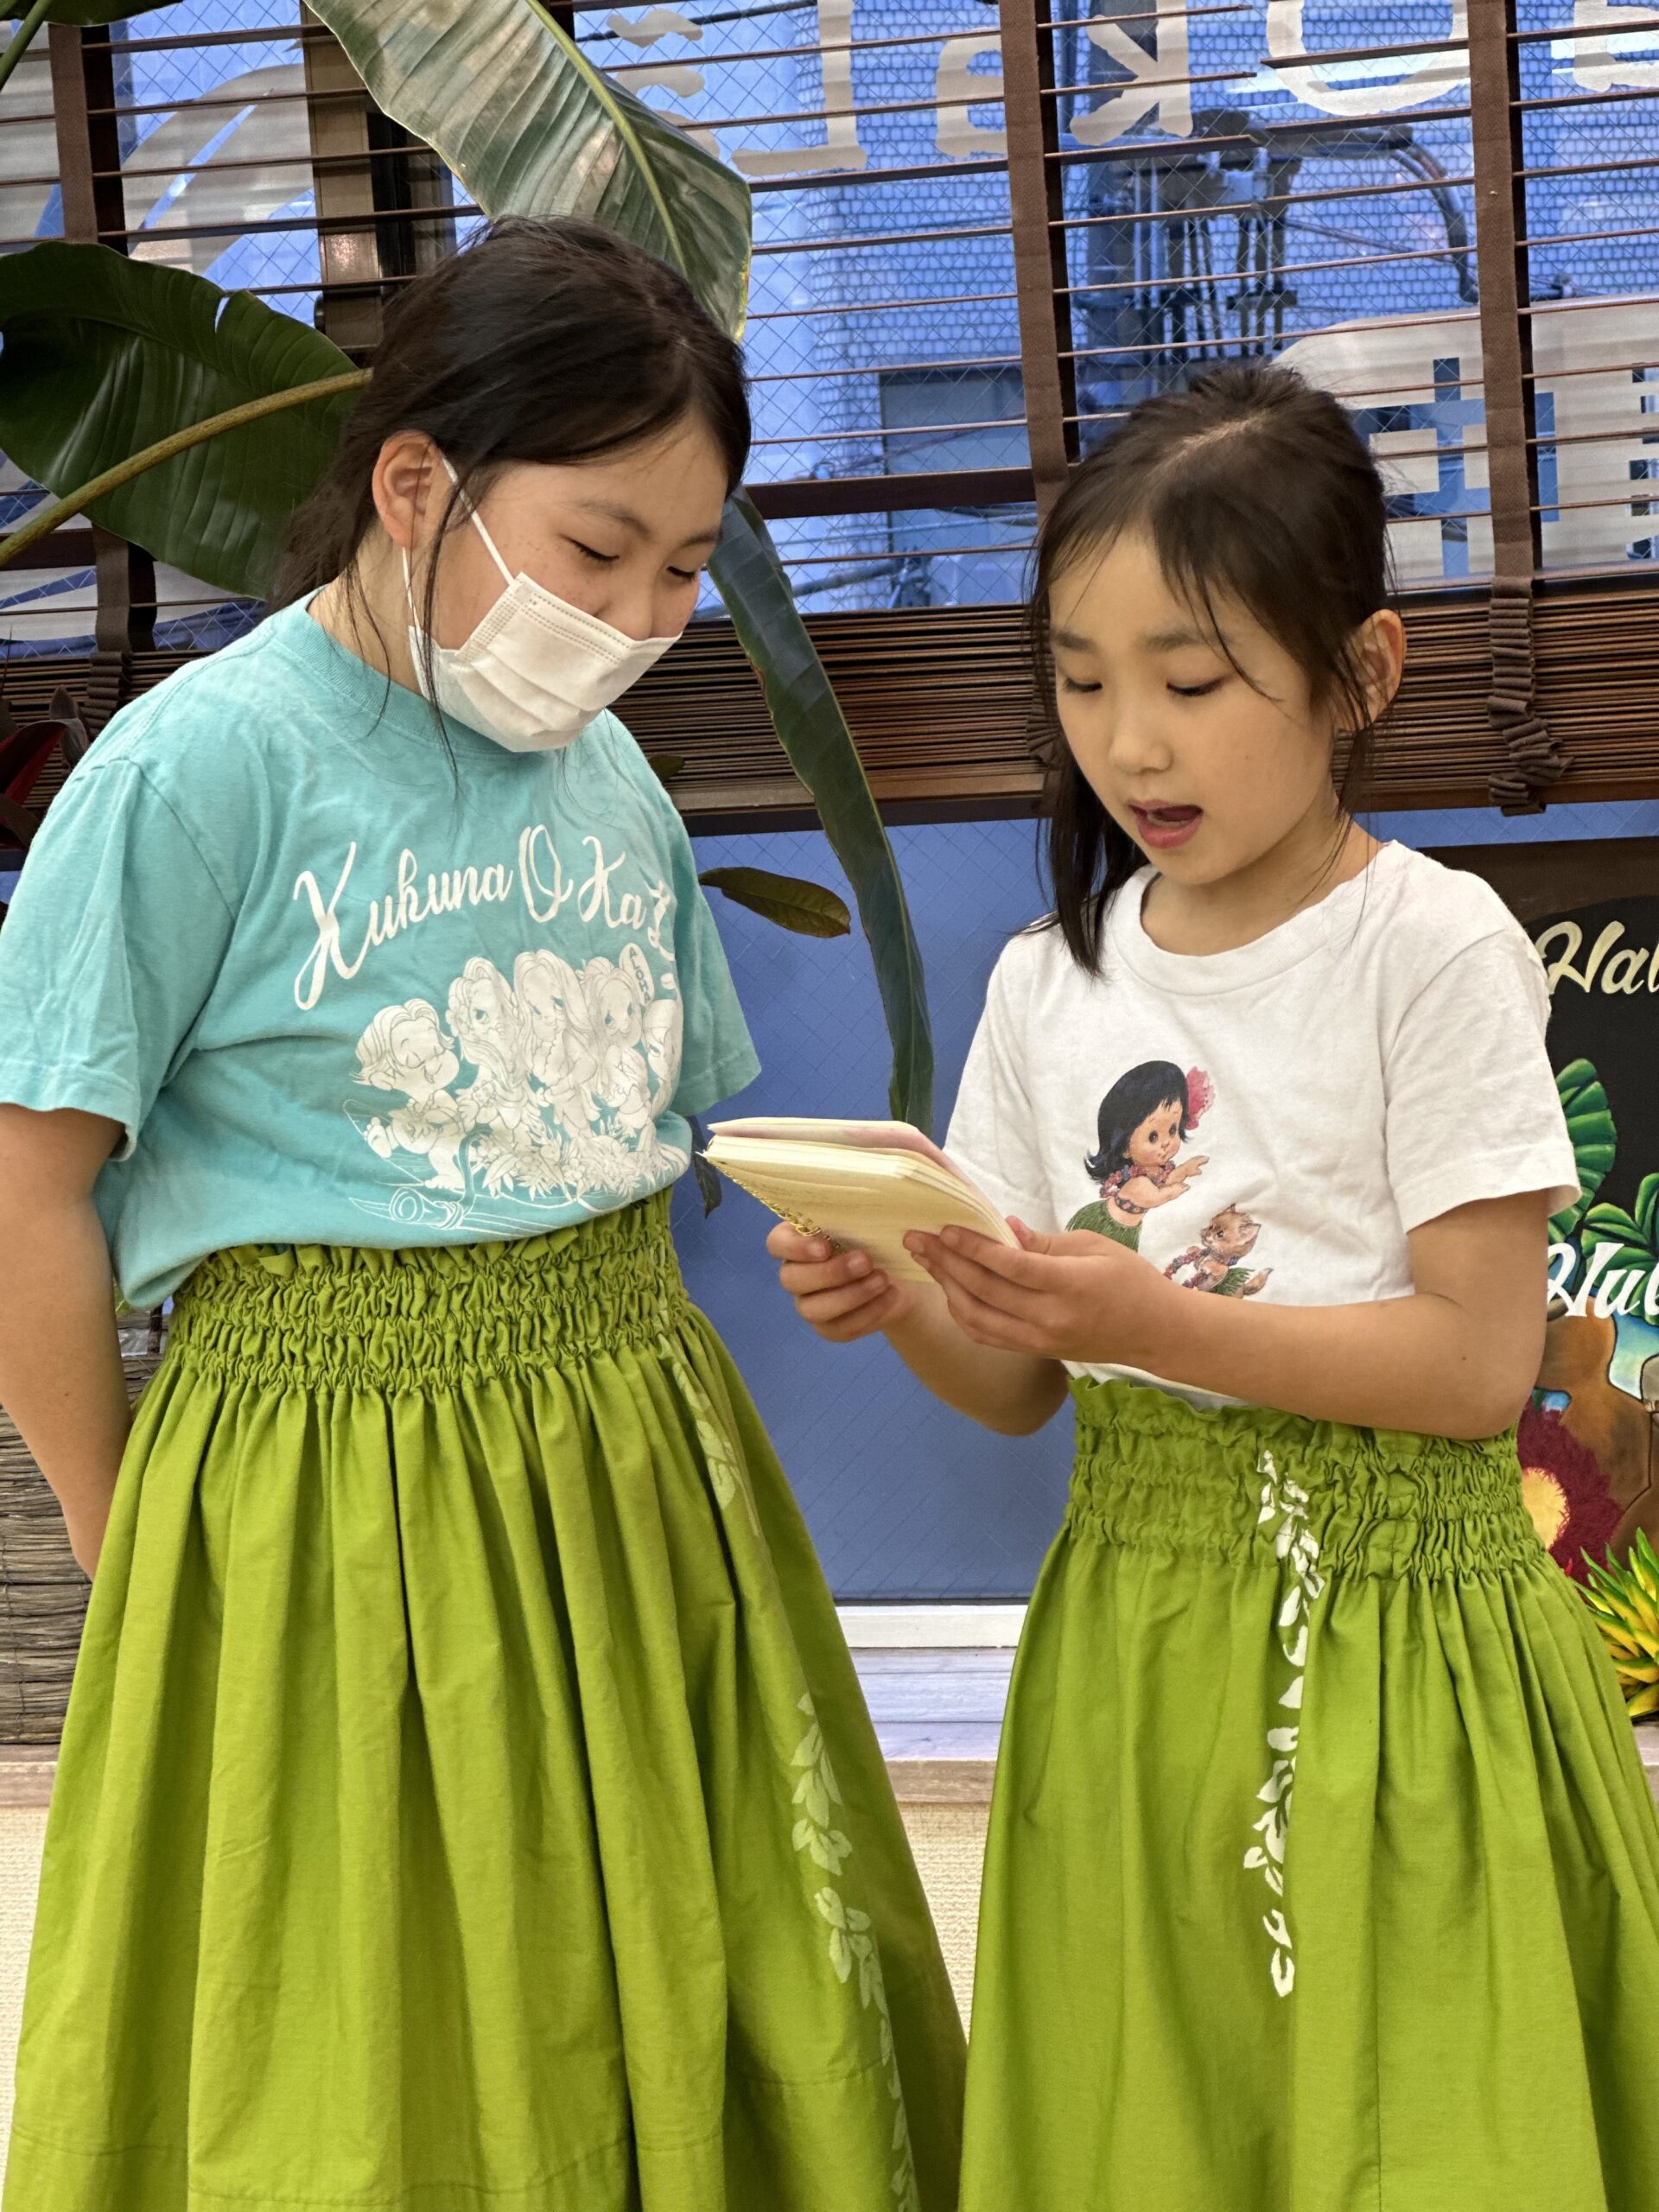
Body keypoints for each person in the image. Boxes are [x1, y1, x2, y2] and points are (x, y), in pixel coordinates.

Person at [0, 216, 963, 2212]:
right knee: (381, 2025)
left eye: (685, 568)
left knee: (683, 1972)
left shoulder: (611, 780)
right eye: (598, 549)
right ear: (415, 484)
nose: (638, 616)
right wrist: (127, 1534)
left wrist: (831, 1230)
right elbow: (29, 1180)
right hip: (327, 1490)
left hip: (635, 1470)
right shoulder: (199, 771)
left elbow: (641, 1126)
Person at [770, 361, 1659, 2209]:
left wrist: (1153, 1322)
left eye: (1191, 682)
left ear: (1362, 674)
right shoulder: (1048, 981)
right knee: (1162, 2116)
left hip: (1404, 1640)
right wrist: (908, 1293)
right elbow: (1021, 1384)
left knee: (1426, 2115)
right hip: (1134, 1639)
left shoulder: (1431, 947)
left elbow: (1477, 1363)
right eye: (1082, 683)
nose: (1131, 745)